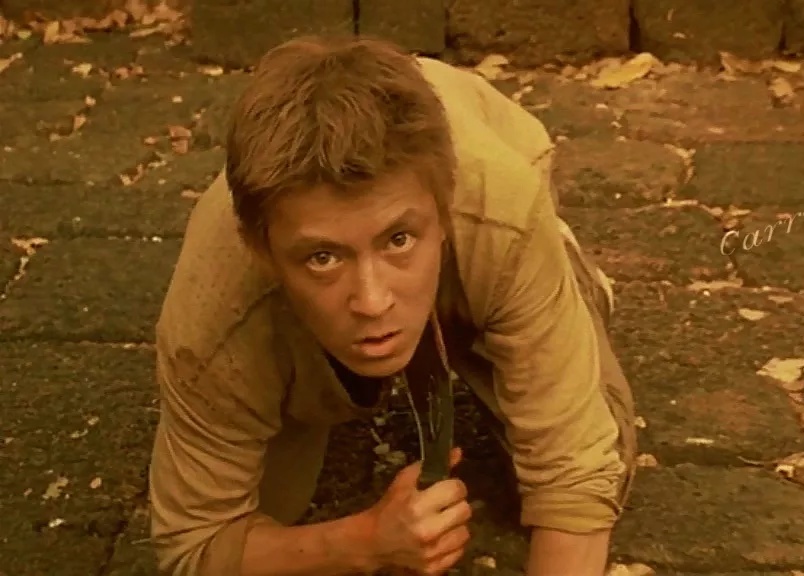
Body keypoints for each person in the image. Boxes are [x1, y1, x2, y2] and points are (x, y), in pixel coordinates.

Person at [148, 34, 638, 576]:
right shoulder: (214, 315)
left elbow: (574, 479)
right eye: (322, 258)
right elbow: (194, 544)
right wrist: (364, 541)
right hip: (279, 307)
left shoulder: (499, 211)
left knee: (602, 452)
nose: (372, 300)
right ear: (263, 252)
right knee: (273, 508)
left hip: (483, 229)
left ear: (444, 210)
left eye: (397, 240)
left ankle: (549, 282)